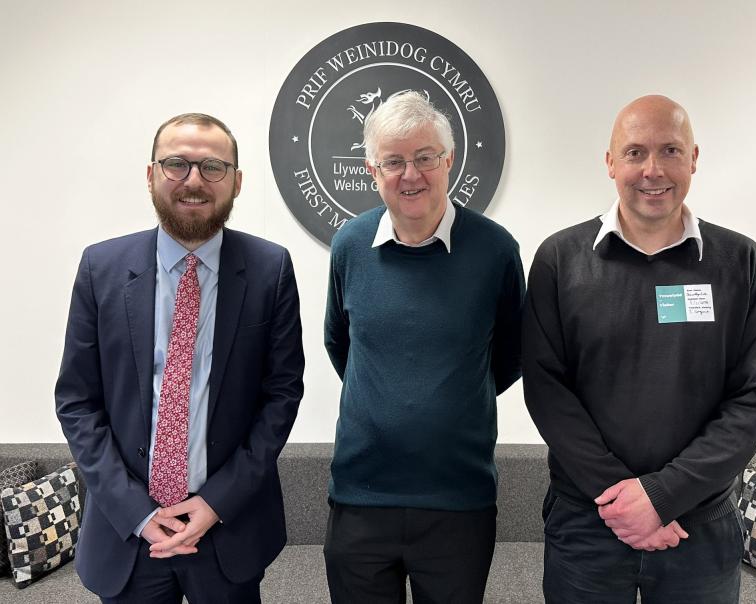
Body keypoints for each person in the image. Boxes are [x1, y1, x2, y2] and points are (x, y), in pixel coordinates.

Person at [522, 94, 756, 603]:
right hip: (588, 523)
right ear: (610, 162)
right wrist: (626, 501)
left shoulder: (742, 263)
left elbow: (754, 400)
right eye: (635, 152)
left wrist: (663, 497)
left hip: (699, 527)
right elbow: (547, 389)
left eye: (670, 151)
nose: (652, 170)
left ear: (694, 158)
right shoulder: (560, 260)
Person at [55, 113, 304, 603]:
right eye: (177, 164)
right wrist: (139, 513)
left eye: (213, 167)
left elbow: (281, 397)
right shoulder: (100, 268)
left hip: (226, 531)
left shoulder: (270, 269)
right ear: (151, 175)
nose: (194, 180)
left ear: (237, 181)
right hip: (129, 535)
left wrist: (217, 502)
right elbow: (78, 403)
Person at [323, 91, 525, 603]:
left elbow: (509, 356)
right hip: (361, 497)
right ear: (372, 170)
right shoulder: (350, 244)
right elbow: (340, 343)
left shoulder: (496, 250)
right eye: (393, 161)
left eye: (424, 157)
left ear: (449, 160)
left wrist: (450, 399)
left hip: (458, 501)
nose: (410, 174)